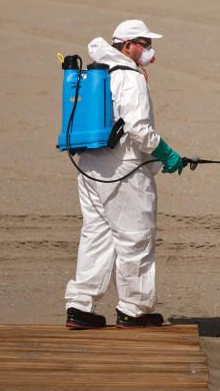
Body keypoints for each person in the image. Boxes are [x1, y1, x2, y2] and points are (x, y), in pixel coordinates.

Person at [64, 19, 186, 329]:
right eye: (144, 43)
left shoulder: (97, 71)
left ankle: (81, 306)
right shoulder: (130, 78)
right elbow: (139, 131)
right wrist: (166, 154)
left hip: (90, 167)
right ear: (127, 46)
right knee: (135, 238)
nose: (148, 50)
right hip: (123, 171)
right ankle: (134, 309)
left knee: (96, 235)